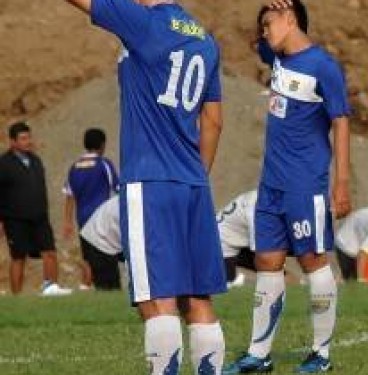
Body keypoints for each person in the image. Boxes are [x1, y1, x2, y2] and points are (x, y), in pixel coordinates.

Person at [63, 0, 226, 374]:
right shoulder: (205, 38)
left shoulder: (144, 22)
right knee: (199, 300)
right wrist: (195, 174)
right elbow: (214, 122)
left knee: (156, 299)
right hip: (193, 184)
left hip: (150, 182)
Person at [224, 1, 352, 374]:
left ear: (291, 18)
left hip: (305, 185)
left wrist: (341, 183)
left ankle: (321, 355)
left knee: (313, 261)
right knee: (267, 261)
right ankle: (258, 355)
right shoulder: (277, 59)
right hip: (270, 186)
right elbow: (255, 43)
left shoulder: (323, 67)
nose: (264, 31)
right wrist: (265, 19)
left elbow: (341, 123)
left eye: (269, 23)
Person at [80, 191, 261, 287]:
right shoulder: (142, 208)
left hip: (105, 234)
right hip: (98, 240)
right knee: (108, 287)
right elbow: (137, 249)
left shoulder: (151, 203)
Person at [0, 122, 73, 296]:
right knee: (18, 257)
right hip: (15, 219)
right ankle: (16, 296)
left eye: (29, 137)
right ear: (12, 142)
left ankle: (51, 288)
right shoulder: (4, 163)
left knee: (49, 252)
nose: (28, 141)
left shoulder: (35, 160)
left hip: (40, 217)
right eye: (23, 138)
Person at [62, 128, 121, 290]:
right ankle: (109, 290)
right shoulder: (103, 164)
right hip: (101, 223)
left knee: (89, 260)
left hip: (82, 221)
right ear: (102, 145)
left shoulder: (74, 167)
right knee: (107, 261)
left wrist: (67, 222)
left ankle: (89, 288)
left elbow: (69, 195)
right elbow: (117, 189)